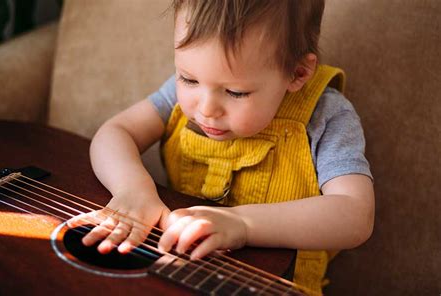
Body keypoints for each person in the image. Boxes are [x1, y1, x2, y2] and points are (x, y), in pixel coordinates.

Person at [67, 0, 374, 292]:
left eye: (235, 92)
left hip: (273, 285)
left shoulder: (326, 116)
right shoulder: (184, 94)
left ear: (296, 73)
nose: (206, 108)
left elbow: (355, 213)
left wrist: (243, 224)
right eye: (188, 79)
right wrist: (133, 188)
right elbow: (115, 132)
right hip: (171, 272)